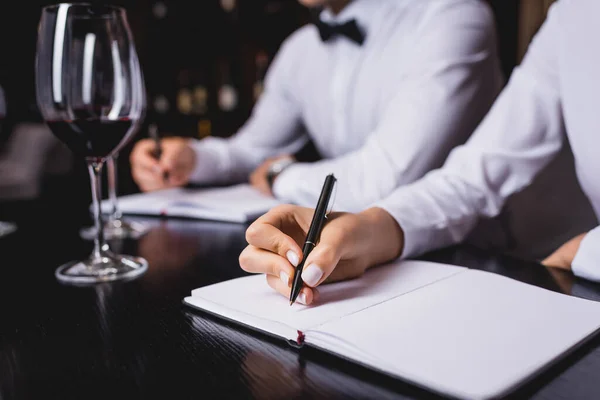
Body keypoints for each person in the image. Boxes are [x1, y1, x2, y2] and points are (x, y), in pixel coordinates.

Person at [238, 0, 600, 305]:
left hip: (546, 268)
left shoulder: (449, 16)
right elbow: (471, 178)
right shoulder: (573, 15)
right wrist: (369, 231)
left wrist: (589, 251)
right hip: (549, 278)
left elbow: (384, 176)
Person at [130, 0, 503, 212]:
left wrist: (281, 176)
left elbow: (384, 180)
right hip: (356, 254)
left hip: (497, 261)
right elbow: (253, 149)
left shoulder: (451, 17)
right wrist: (191, 159)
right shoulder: (299, 49)